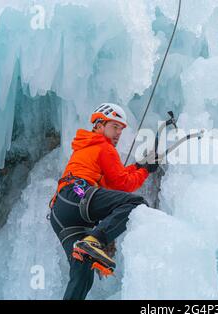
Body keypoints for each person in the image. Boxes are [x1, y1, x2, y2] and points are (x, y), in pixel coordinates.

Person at [49, 103, 158, 300]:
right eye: (114, 127)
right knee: (135, 203)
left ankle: (88, 245)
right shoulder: (103, 147)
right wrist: (146, 170)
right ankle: (94, 240)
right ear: (99, 125)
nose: (118, 133)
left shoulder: (87, 147)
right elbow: (122, 184)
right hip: (77, 193)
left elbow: (112, 183)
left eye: (121, 129)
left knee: (82, 271)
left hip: (61, 211)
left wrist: (139, 167)